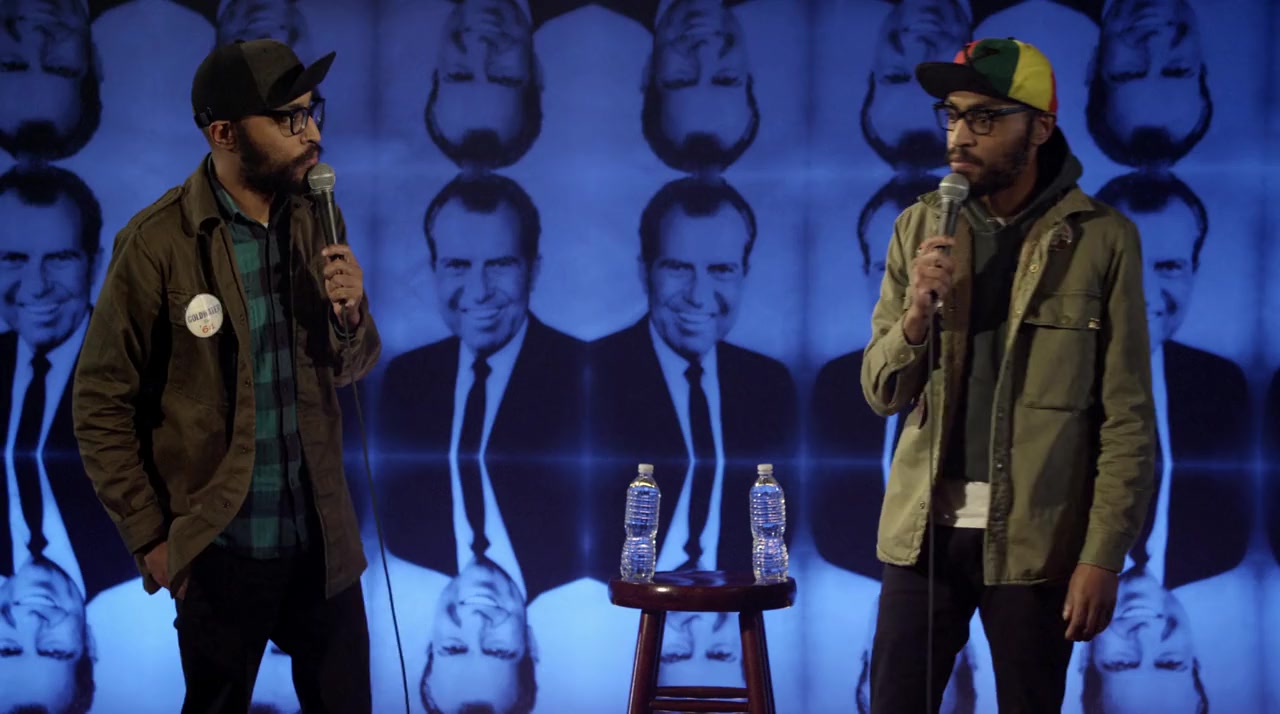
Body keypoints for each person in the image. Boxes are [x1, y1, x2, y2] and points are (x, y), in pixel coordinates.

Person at [71, 38, 380, 713]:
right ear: (225, 134)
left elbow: (353, 367)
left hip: (321, 540)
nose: (312, 133)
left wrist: (352, 314)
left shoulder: (318, 217)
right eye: (289, 118)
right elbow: (99, 402)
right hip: (220, 547)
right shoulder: (158, 242)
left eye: (312, 112)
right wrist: (153, 541)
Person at [860, 38, 1155, 713]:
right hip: (921, 536)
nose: (960, 136)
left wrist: (1102, 556)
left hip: (1036, 542)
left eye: (985, 117)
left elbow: (1128, 418)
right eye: (952, 115)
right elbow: (880, 391)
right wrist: (915, 318)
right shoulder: (918, 226)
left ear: (1040, 128)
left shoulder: (1101, 238)